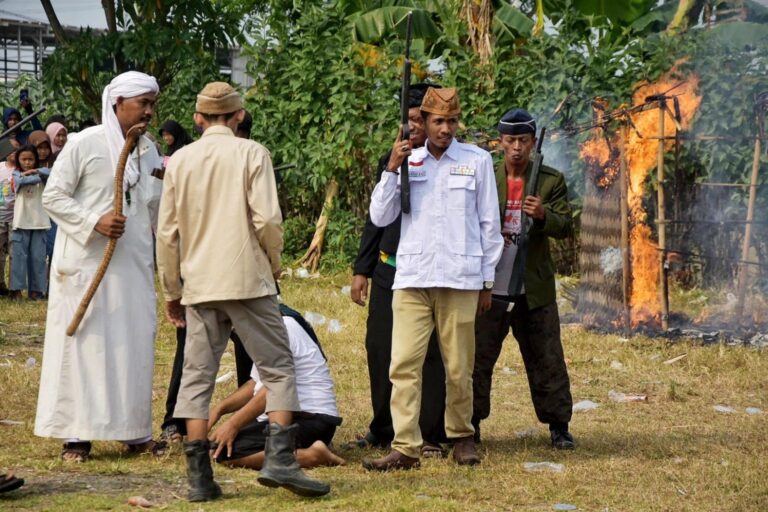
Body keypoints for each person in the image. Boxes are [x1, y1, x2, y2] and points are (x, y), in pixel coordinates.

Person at [156, 81, 330, 501]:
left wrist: (171, 289)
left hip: (199, 283)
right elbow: (268, 220)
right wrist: (272, 264)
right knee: (278, 368)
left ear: (198, 118)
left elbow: (167, 233)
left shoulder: (180, 160)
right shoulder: (253, 153)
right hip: (247, 278)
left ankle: (199, 479)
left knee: (196, 378)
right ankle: (281, 461)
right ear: (238, 116)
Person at [363, 87, 503, 471]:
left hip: (460, 278)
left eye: (451, 121)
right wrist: (392, 168)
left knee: (459, 365)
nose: (445, 129)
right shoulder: (409, 161)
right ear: (421, 122)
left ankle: (461, 436)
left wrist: (487, 282)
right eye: (438, 121)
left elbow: (489, 225)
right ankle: (405, 446)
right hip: (412, 277)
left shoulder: (477, 161)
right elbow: (380, 216)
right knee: (403, 363)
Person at [34, 71, 165, 462]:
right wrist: (95, 222)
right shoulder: (85, 143)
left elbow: (156, 208)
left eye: (152, 104)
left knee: (132, 344)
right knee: (85, 349)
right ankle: (77, 436)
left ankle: (134, 431)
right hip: (87, 266)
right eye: (143, 103)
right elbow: (53, 196)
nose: (149, 111)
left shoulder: (149, 151)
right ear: (117, 103)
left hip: (134, 267)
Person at [349, 83, 447, 456]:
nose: (415, 127)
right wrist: (363, 268)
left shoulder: (445, 162)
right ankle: (383, 426)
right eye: (409, 120)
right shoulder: (392, 158)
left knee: (431, 355)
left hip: (429, 272)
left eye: (421, 119)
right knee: (381, 347)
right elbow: (376, 220)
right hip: (390, 269)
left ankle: (431, 432)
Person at [472, 108, 575, 449]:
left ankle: (559, 426)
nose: (517, 147)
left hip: (534, 286)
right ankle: (469, 424)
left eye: (523, 140)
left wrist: (543, 215)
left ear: (532, 143)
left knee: (547, 359)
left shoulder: (550, 180)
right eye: (510, 140)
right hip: (490, 286)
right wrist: (487, 235)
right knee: (477, 359)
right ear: (500, 142)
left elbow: (566, 226)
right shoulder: (485, 176)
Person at [209, 304, 344, 470]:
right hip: (302, 418)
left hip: (311, 420)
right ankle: (303, 450)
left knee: (224, 453)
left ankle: (312, 456)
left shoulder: (277, 329)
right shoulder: (266, 326)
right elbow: (255, 384)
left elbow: (274, 387)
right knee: (218, 446)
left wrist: (232, 424)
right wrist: (218, 410)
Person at [10, 145, 50, 300]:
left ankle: (37, 290)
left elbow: (53, 173)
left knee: (38, 258)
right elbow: (20, 180)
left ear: (36, 160)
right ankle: (17, 290)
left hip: (40, 222)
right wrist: (38, 175)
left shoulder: (42, 173)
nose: (27, 163)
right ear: (18, 160)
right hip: (20, 222)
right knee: (19, 257)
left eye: (31, 159)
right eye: (24, 159)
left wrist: (35, 171)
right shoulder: (16, 174)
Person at [0, 144, 16, 296]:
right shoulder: (0, 167)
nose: (13, 152)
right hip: (0, 216)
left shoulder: (21, 169)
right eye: (10, 149)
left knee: (13, 252)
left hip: (16, 218)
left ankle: (13, 288)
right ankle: (0, 284)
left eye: (17, 149)